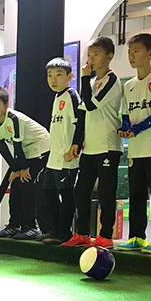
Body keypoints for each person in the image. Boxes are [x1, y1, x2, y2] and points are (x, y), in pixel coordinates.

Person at [116, 33, 151, 254]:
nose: (131, 56)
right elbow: (126, 114)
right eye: (129, 52)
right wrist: (126, 127)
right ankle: (137, 236)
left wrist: (138, 128)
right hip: (136, 151)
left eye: (136, 51)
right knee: (137, 196)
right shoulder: (128, 85)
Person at [65, 37, 124, 249]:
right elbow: (82, 115)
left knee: (106, 193)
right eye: (89, 55)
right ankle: (82, 233)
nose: (91, 59)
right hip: (89, 148)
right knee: (80, 191)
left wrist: (83, 77)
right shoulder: (91, 83)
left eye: (95, 55)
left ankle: (105, 236)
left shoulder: (112, 81)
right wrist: (76, 143)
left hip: (108, 146)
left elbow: (89, 104)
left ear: (109, 57)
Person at [0, 87, 50, 240]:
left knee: (26, 183)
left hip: (40, 146)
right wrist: (15, 170)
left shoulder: (14, 119)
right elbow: (2, 148)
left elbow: (16, 146)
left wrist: (22, 169)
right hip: (25, 151)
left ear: (6, 105)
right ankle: (14, 225)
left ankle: (30, 227)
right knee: (15, 185)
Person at [41, 57, 84, 245]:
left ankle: (65, 232)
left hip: (67, 158)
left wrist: (74, 147)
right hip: (53, 157)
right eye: (50, 75)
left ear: (70, 77)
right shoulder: (56, 97)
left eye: (59, 75)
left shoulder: (71, 96)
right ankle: (55, 229)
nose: (53, 79)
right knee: (48, 191)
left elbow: (80, 123)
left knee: (66, 194)